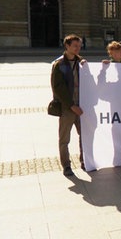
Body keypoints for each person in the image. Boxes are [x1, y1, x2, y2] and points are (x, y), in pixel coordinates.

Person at [50, 34, 85, 177]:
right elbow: (58, 88)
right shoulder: (59, 65)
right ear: (67, 46)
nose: (78, 48)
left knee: (85, 136)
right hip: (67, 108)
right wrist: (71, 105)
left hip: (81, 105)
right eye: (75, 45)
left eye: (79, 45)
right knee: (64, 138)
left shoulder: (82, 62)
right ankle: (66, 165)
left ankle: (85, 160)